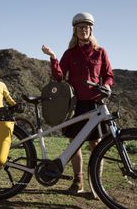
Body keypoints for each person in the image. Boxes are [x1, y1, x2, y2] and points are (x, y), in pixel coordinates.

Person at [41, 12, 114, 194]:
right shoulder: (70, 53)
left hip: (95, 103)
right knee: (75, 144)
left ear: (91, 30)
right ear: (75, 31)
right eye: (80, 27)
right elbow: (59, 76)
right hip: (76, 105)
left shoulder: (100, 52)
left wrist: (106, 85)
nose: (84, 30)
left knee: (96, 145)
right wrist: (53, 57)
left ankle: (96, 185)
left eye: (87, 27)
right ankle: (78, 182)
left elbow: (109, 75)